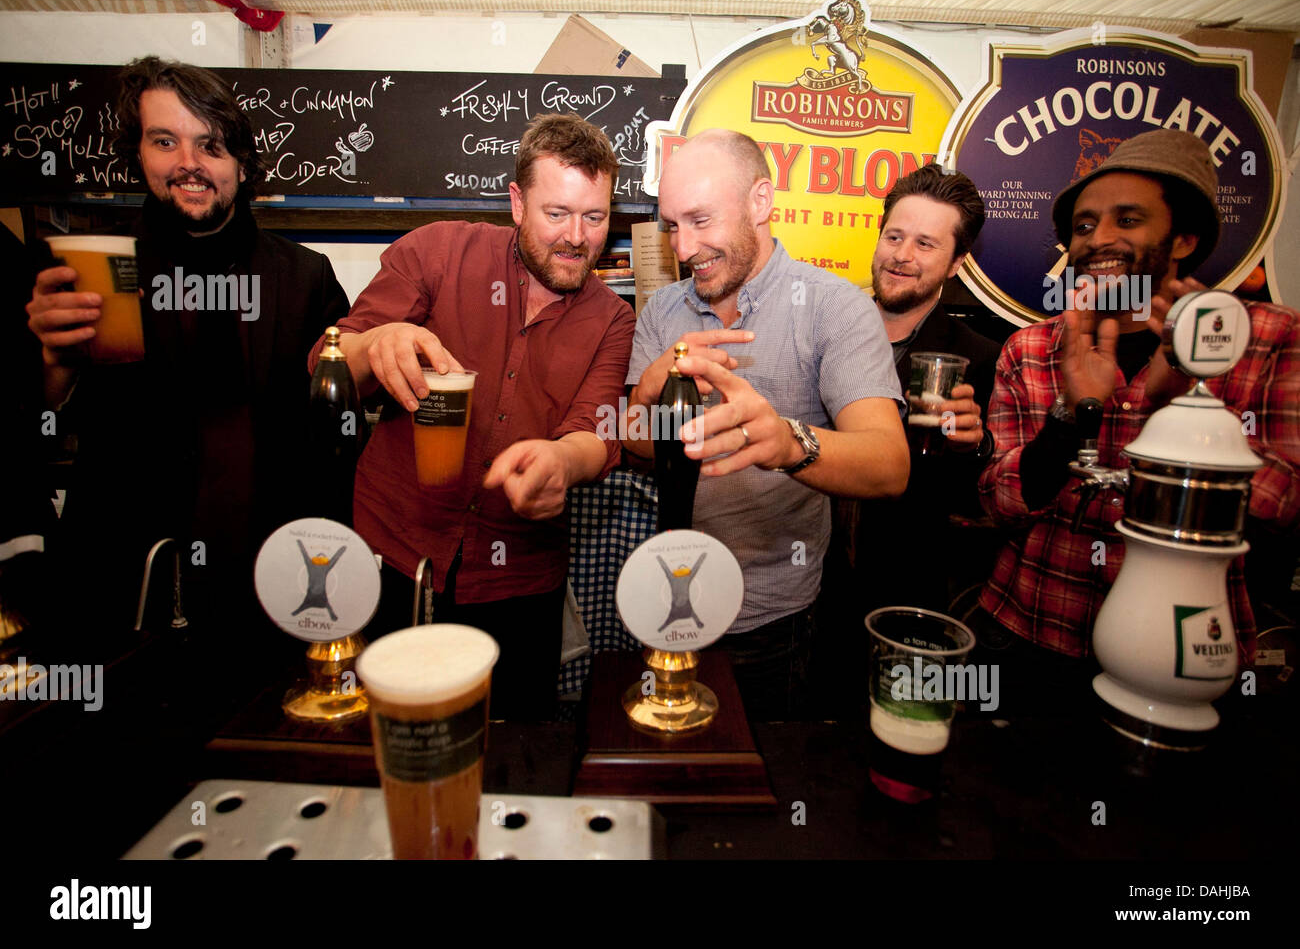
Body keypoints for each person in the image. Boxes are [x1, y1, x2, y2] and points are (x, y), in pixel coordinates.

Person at [311, 113, 634, 719]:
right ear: (516, 202)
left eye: (595, 217)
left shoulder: (612, 318)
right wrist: (375, 344)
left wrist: (562, 460)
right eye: (556, 213)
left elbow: (597, 431)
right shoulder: (439, 251)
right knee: (377, 739)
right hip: (390, 560)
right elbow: (325, 362)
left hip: (517, 584)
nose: (576, 237)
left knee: (511, 758)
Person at [24, 56, 349, 640]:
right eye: (165, 141)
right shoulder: (93, 272)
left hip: (268, 583)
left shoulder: (306, 278)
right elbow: (33, 426)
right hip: (124, 581)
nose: (188, 164)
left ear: (243, 165)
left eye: (211, 145)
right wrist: (52, 364)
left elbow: (338, 435)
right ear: (139, 155)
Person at [976, 128, 1299, 679]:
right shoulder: (1029, 348)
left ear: (1183, 239)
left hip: (1183, 652)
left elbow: (1283, 503)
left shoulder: (1264, 338)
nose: (1099, 238)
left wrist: (1188, 407)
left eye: (1127, 220)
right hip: (1031, 632)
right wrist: (1068, 420)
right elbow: (997, 499)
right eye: (1084, 225)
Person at [624, 129, 908, 720]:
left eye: (701, 220)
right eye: (673, 225)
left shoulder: (835, 307)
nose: (685, 247)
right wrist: (650, 390)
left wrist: (786, 442)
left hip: (770, 619)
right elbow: (633, 448)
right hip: (667, 594)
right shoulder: (661, 310)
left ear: (760, 202)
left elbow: (888, 465)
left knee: (760, 787)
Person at [842, 163, 1003, 617]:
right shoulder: (825, 329)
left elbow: (981, 503)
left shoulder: (981, 358)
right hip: (803, 586)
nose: (902, 255)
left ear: (956, 263)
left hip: (905, 598)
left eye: (925, 244)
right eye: (894, 237)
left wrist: (974, 445)